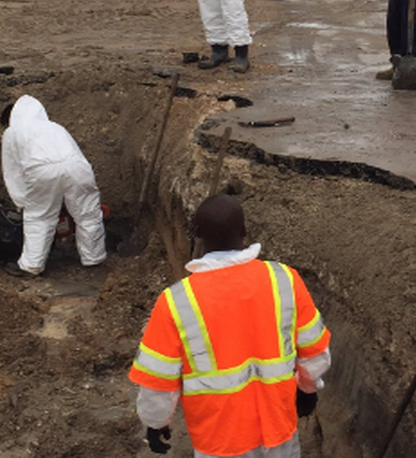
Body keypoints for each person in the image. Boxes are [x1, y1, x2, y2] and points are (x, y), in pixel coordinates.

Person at [129, 194, 331, 457]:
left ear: (197, 234)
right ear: (245, 230)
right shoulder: (284, 279)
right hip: (277, 429)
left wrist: (155, 423)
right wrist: (308, 388)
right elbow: (314, 350)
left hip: (221, 440)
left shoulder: (176, 301)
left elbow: (159, 378)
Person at [0, 95, 106, 277]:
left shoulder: (13, 132)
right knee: (88, 214)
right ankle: (93, 259)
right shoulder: (55, 127)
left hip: (42, 170)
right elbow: (74, 154)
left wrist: (22, 202)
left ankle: (31, 265)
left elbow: (13, 171)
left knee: (39, 218)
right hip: (77, 168)